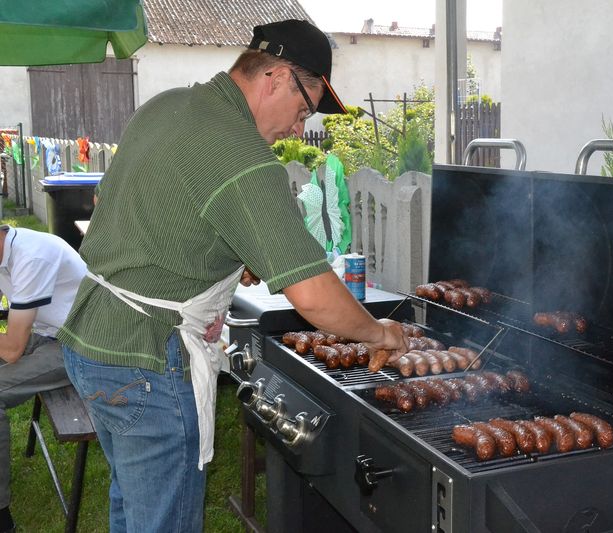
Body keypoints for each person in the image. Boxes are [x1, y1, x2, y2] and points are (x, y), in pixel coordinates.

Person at [57, 19, 409, 532]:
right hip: (146, 361)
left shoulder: (168, 104)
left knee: (134, 506)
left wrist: (221, 247)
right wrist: (381, 332)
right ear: (277, 78)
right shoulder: (243, 156)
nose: (298, 129)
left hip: (91, 342)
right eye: (304, 109)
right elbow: (312, 295)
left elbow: (115, 203)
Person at [0, 225, 87, 533]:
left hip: (78, 346)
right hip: (45, 333)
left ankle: (1, 516)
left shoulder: (31, 256)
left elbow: (11, 350)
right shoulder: (6, 251)